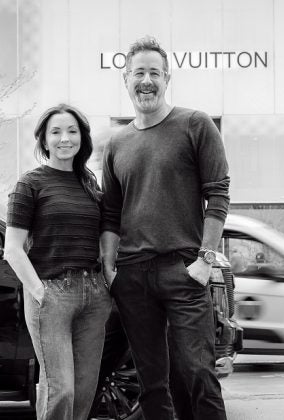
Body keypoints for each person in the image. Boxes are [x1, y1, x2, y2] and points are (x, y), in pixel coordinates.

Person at [100, 36, 229, 420]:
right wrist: (110, 268)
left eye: (154, 73)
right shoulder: (118, 143)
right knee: (153, 384)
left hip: (183, 269)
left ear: (167, 78)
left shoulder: (195, 124)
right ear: (125, 79)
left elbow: (218, 194)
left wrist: (205, 259)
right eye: (138, 73)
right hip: (133, 277)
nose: (146, 81)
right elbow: (111, 212)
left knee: (198, 373)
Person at [4, 104, 111, 420]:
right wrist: (40, 292)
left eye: (72, 131)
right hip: (52, 293)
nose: (65, 138)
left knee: (84, 390)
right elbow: (13, 249)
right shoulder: (30, 184)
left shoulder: (89, 184)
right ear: (44, 140)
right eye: (56, 132)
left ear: (82, 138)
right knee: (60, 389)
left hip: (93, 295)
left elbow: (103, 240)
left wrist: (106, 283)